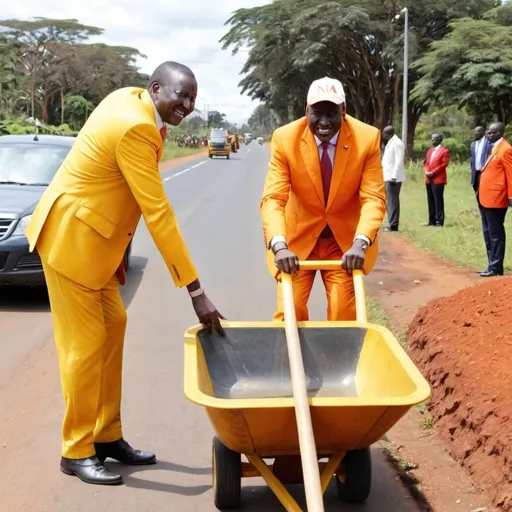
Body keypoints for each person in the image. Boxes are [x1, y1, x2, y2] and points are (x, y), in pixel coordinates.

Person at [25, 61, 225, 486]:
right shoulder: (136, 128)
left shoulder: (132, 101)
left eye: (192, 98)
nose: (187, 105)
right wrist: (196, 291)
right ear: (155, 89)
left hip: (93, 242)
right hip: (70, 242)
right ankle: (76, 449)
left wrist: (116, 254)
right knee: (85, 346)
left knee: (114, 324)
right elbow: (158, 213)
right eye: (180, 96)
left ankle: (106, 435)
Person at [260, 77, 386, 322]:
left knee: (344, 315)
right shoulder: (285, 139)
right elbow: (273, 198)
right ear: (306, 111)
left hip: (343, 245)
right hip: (297, 242)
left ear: (344, 112)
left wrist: (360, 244)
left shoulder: (367, 139)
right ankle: (291, 359)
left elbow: (373, 198)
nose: (325, 122)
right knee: (289, 313)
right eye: (317, 113)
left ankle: (338, 360)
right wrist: (279, 245)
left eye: (332, 113)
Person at [477, 122, 512, 277]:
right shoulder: (491, 147)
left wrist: (511, 197)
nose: (488, 135)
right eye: (488, 133)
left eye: (492, 133)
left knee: (495, 233)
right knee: (487, 232)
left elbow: (510, 176)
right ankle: (491, 264)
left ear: (500, 133)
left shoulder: (506, 150)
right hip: (485, 197)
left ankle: (496, 266)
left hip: (497, 198)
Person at [381, 126, 406, 231]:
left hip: (393, 178)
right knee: (389, 201)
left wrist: (394, 176)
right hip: (387, 176)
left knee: (393, 201)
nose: (383, 136)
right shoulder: (390, 143)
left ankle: (394, 225)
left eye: (384, 134)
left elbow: (398, 161)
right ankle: (391, 222)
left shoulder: (397, 143)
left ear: (388, 134)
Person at [424, 133, 449, 227]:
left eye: (436, 138)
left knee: (438, 200)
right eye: (432, 138)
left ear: (440, 140)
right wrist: (427, 171)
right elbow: (426, 163)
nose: (433, 140)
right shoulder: (429, 151)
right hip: (428, 178)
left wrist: (433, 172)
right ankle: (431, 220)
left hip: (438, 179)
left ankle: (439, 221)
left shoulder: (444, 151)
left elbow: (444, 164)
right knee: (430, 200)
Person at [470, 126, 492, 194]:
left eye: (478, 131)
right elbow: (472, 158)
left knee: (484, 191)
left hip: (484, 171)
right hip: (475, 172)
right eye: (475, 132)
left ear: (483, 132)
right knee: (476, 189)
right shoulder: (473, 144)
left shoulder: (488, 142)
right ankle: (479, 204)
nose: (475, 133)